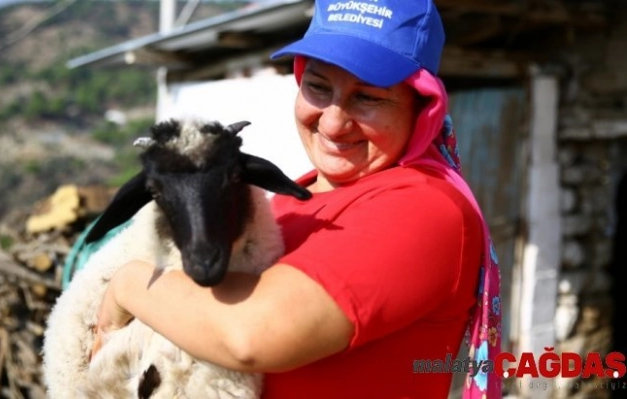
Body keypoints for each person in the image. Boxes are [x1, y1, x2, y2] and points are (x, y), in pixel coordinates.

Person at [90, 0, 502, 397]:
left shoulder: (423, 208)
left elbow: (252, 334)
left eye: (369, 97)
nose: (334, 122)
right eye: (318, 87)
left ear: (423, 105)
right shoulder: (282, 205)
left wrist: (129, 285)